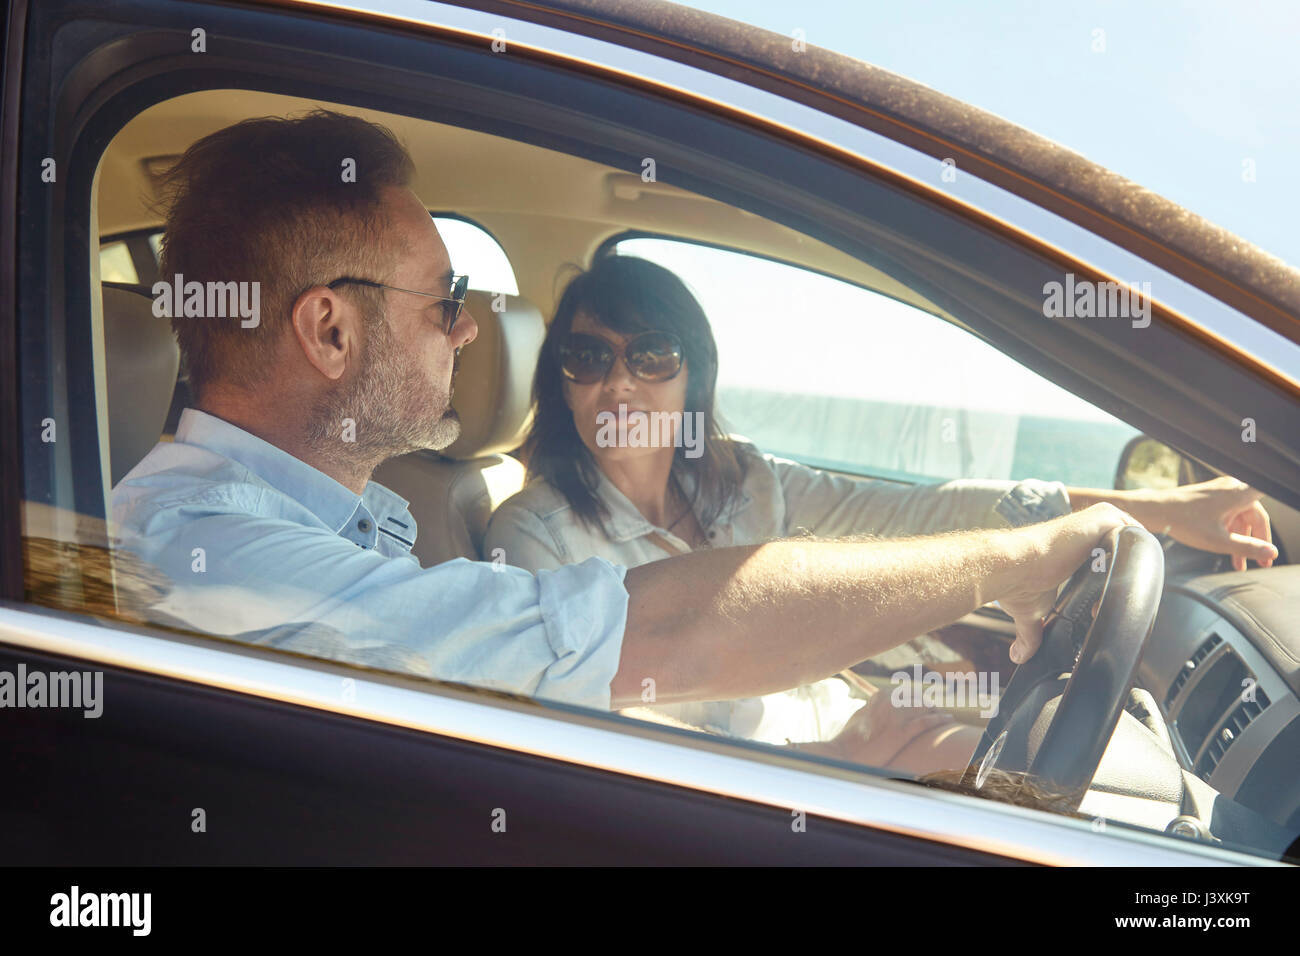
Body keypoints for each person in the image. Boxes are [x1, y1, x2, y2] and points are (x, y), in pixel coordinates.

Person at [110, 111, 1274, 738]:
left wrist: (1120, 515)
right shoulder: (199, 547)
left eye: (654, 358)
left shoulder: (339, 523)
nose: (466, 333)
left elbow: (917, 512)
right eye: (445, 302)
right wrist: (1016, 570)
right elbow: (640, 644)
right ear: (328, 332)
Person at [484, 255, 1278, 767]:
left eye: (650, 356)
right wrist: (836, 754)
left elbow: (918, 513)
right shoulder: (530, 537)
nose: (619, 386)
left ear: (696, 375)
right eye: (588, 358)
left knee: (1042, 765)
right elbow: (598, 746)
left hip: (844, 734)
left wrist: (1166, 510)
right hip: (753, 793)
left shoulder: (743, 482)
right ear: (559, 379)